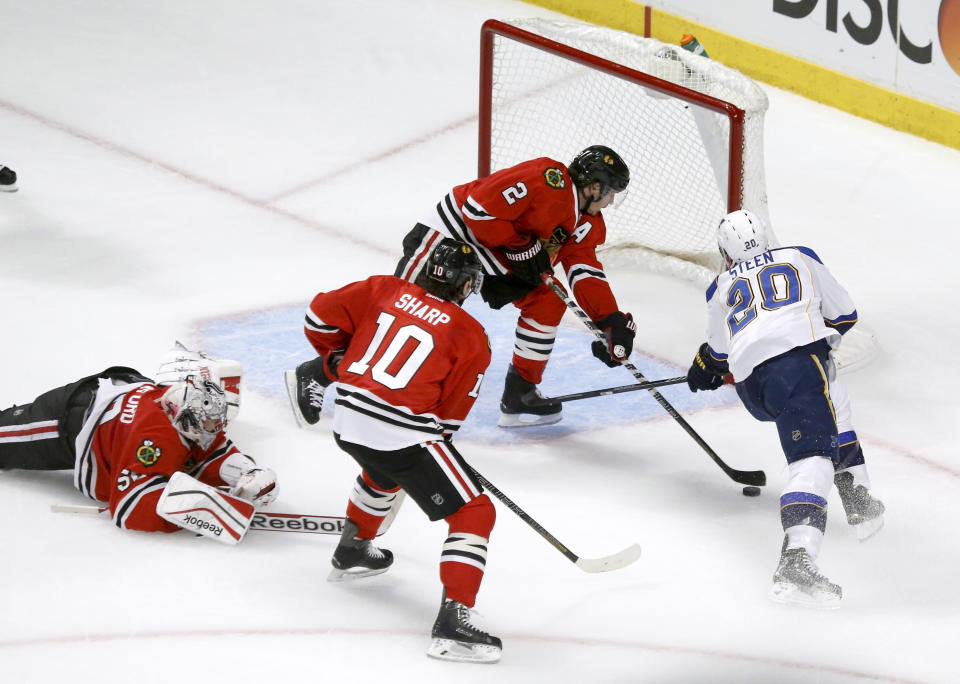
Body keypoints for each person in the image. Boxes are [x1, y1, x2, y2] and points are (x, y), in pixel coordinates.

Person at [284, 239, 502, 663]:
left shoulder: (386, 288)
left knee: (383, 469)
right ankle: (455, 623)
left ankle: (353, 547)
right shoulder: (472, 335)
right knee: (474, 511)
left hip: (346, 418)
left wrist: (337, 364)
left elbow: (319, 316)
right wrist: (438, 450)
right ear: (464, 286)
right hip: (399, 430)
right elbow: (449, 418)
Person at [686, 209, 885, 608]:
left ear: (725, 253)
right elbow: (845, 314)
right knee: (812, 460)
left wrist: (703, 367)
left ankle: (857, 496)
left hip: (754, 387)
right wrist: (809, 335)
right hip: (794, 368)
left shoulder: (719, 286)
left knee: (833, 396)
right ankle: (797, 558)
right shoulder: (798, 256)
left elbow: (718, 354)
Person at [394, 146, 637, 428]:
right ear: (595, 187)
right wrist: (521, 247)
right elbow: (477, 210)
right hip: (454, 237)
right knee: (404, 311)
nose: (609, 203)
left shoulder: (587, 221)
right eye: (611, 194)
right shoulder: (546, 178)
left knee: (548, 299)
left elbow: (584, 269)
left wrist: (609, 319)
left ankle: (521, 394)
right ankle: (334, 366)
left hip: (498, 255)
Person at [0, 364, 278, 538]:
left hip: (126, 388)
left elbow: (213, 448)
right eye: (205, 423)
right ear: (181, 416)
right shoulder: (153, 438)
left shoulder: (185, 412)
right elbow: (128, 507)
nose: (211, 430)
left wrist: (246, 471)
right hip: (72, 420)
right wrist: (198, 508)